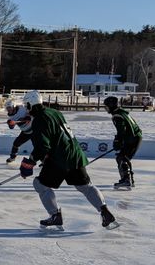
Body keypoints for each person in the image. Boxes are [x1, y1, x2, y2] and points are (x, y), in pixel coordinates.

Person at [19, 89, 116, 229]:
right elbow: (55, 135)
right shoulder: (55, 112)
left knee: (40, 184)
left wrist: (30, 162)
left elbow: (42, 146)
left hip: (59, 159)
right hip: (75, 154)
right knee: (85, 186)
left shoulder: (39, 120)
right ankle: (105, 212)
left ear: (30, 105)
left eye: (25, 105)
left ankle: (55, 215)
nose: (25, 108)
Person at [104, 95, 143, 189]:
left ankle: (126, 180)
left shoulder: (117, 115)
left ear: (111, 105)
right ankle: (129, 180)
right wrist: (120, 140)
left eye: (106, 106)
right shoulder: (122, 113)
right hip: (135, 137)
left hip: (132, 138)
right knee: (124, 157)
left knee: (122, 158)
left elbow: (122, 129)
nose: (106, 109)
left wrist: (118, 140)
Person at [4, 98, 33, 163]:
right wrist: (10, 124)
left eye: (9, 107)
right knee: (16, 144)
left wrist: (28, 116)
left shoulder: (22, 108)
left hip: (34, 130)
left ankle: (44, 161)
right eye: (7, 108)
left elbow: (30, 110)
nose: (8, 110)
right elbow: (12, 127)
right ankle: (12, 158)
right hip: (26, 132)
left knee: (39, 146)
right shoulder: (11, 116)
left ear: (13, 106)